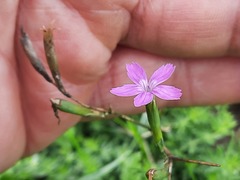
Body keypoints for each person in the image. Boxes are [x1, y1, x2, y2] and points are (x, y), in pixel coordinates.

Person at [1, 1, 240, 172]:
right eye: (145, 87)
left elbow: (144, 97)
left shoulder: (151, 91)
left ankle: (163, 150)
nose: (146, 88)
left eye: (148, 87)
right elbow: (139, 97)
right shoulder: (143, 92)